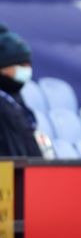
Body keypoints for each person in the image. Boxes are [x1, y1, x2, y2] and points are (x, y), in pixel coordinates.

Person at [0, 24, 42, 157]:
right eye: (20, 65)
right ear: (4, 67)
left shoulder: (15, 98)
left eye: (28, 65)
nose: (26, 70)